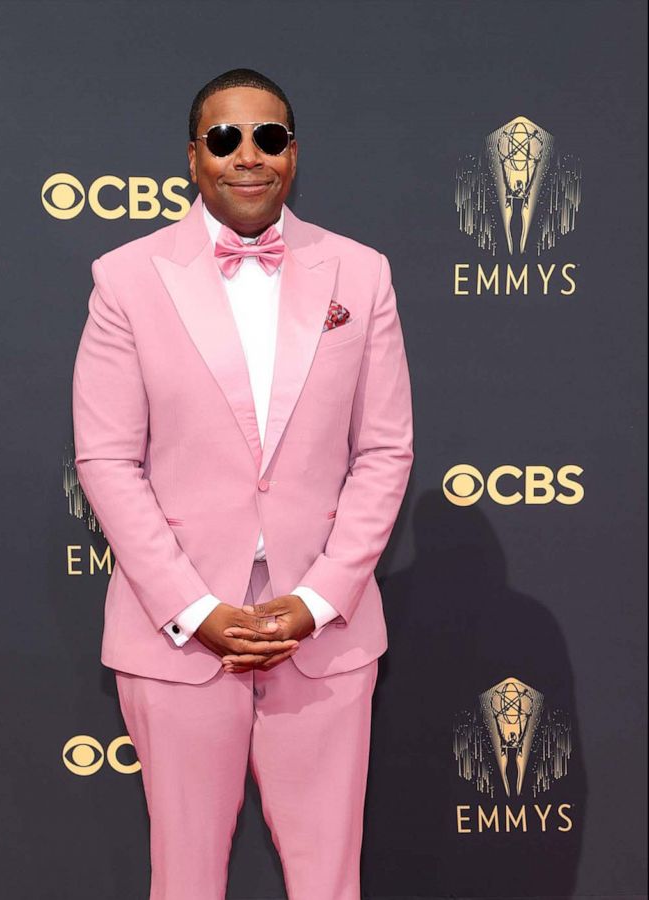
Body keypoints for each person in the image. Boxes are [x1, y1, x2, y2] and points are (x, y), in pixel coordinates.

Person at [71, 68, 412, 899]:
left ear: (294, 155)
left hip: (325, 635)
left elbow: (384, 451)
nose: (248, 156)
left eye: (270, 137)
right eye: (225, 139)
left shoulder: (360, 274)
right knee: (183, 879)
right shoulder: (126, 277)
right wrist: (196, 610)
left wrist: (319, 598)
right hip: (177, 633)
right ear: (194, 156)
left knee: (330, 880)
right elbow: (108, 460)